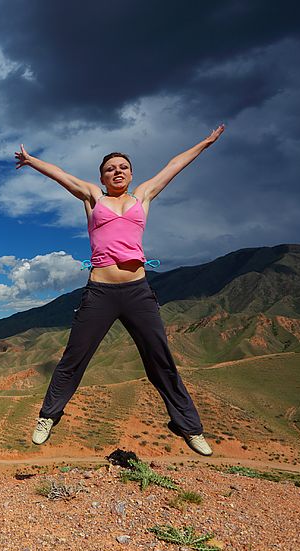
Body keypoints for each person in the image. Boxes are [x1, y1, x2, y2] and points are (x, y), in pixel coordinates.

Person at [14, 125, 225, 455]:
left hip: (137, 292)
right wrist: (31, 160)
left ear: (130, 174)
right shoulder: (92, 198)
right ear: (102, 177)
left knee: (160, 361)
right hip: (99, 293)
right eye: (110, 168)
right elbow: (60, 174)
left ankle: (190, 427)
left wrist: (207, 143)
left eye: (123, 167)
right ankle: (48, 417)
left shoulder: (143, 196)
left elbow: (174, 165)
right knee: (74, 358)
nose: (117, 171)